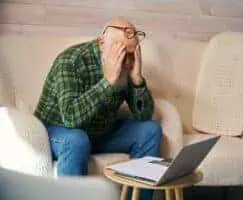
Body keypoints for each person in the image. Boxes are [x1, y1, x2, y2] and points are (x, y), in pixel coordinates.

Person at [34, 16, 162, 200]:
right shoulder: (71, 61)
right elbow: (70, 118)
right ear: (102, 43)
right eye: (122, 52)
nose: (127, 60)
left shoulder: (129, 66)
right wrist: (108, 82)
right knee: (77, 139)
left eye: (132, 53)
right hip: (58, 129)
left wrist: (137, 80)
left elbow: (144, 116)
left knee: (150, 130)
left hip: (99, 132)